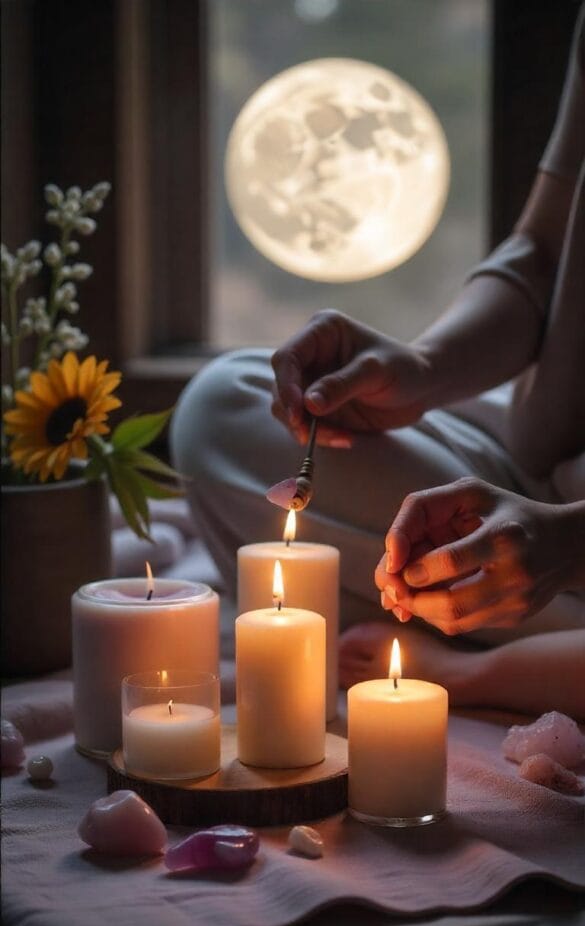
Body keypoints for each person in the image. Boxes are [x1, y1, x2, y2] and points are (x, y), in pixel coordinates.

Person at [171, 7, 585, 720]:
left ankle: (512, 657)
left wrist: (570, 544)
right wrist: (423, 367)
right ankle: (527, 630)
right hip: (525, 466)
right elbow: (541, 253)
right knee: (219, 405)